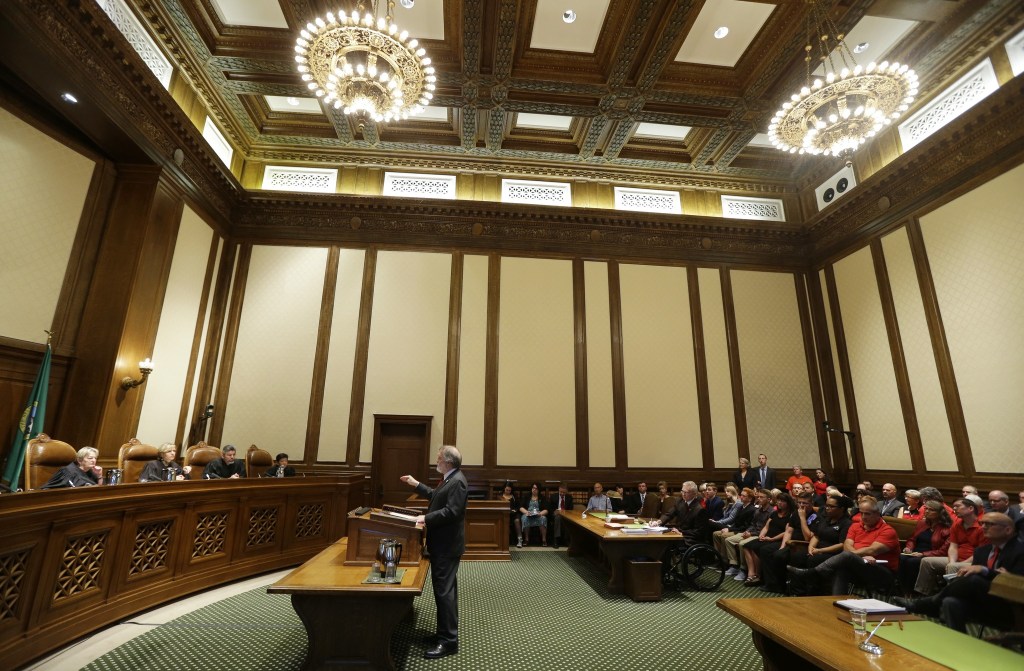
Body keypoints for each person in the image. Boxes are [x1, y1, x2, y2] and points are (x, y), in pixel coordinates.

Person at [896, 513, 1024, 632]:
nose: (983, 527)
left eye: (990, 524)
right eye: (982, 523)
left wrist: (985, 571)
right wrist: (990, 573)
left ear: (1008, 530)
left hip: (1011, 606)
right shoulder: (982, 551)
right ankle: (958, 641)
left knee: (974, 580)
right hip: (983, 601)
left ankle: (929, 603)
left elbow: (1017, 583)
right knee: (950, 602)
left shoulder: (1020, 551)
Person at [400, 445, 468, 660]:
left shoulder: (457, 482)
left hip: (447, 547)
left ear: (447, 461)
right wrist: (416, 484)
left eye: (438, 458)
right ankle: (443, 634)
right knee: (445, 592)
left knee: (444, 593)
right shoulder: (450, 478)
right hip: (442, 544)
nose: (436, 461)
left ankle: (448, 642)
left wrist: (424, 518)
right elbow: (435, 496)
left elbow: (452, 512)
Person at [787, 496, 900, 595]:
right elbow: (846, 546)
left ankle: (814, 573)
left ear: (877, 514)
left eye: (867, 514)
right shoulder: (856, 526)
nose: (864, 517)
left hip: (881, 571)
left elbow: (872, 551)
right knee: (842, 567)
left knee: (846, 557)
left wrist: (855, 556)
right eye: (861, 513)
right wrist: (859, 556)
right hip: (859, 566)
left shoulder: (887, 531)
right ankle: (837, 601)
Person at [914, 496, 985, 595]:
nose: (954, 509)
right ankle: (921, 594)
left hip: (973, 562)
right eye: (954, 506)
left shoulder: (982, 527)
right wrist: (952, 562)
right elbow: (953, 546)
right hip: (956, 559)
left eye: (958, 506)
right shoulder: (957, 525)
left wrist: (957, 564)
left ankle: (948, 597)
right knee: (926, 561)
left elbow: (981, 553)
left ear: (971, 508)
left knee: (953, 567)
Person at [897, 500, 951, 596]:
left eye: (931, 510)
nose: (926, 511)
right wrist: (909, 548)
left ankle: (912, 592)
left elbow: (943, 551)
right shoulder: (922, 523)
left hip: (931, 555)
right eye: (926, 509)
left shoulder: (947, 528)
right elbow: (912, 539)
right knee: (902, 558)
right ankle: (901, 590)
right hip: (915, 552)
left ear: (939, 513)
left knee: (912, 562)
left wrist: (923, 554)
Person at [742, 492, 795, 588]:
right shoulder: (775, 513)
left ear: (788, 503)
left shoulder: (791, 515)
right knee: (746, 546)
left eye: (782, 501)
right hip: (767, 537)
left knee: (756, 547)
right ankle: (751, 573)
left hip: (777, 539)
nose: (779, 502)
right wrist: (761, 535)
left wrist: (772, 539)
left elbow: (787, 532)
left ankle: (758, 575)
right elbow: (766, 527)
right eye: (778, 500)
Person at [518, 483, 548, 547]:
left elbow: (546, 509)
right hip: (528, 514)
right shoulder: (526, 496)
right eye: (533, 488)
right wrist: (526, 512)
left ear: (539, 490)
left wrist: (540, 514)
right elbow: (520, 507)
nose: (534, 490)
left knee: (543, 519)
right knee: (524, 518)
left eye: (536, 488)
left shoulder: (542, 497)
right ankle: (526, 539)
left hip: (539, 514)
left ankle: (544, 540)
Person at [548, 483, 573, 548]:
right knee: (558, 518)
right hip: (555, 515)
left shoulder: (569, 498)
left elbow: (571, 510)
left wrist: (564, 512)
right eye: (561, 492)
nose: (562, 493)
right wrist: (554, 512)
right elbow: (549, 508)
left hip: (566, 515)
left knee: (568, 520)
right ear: (559, 490)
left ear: (566, 491)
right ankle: (556, 540)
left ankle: (566, 540)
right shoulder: (553, 496)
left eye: (563, 492)